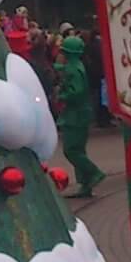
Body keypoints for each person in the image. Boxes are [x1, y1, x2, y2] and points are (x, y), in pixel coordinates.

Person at [53, 37, 101, 198]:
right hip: (80, 114)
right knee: (79, 149)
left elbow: (77, 92)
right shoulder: (76, 66)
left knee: (71, 150)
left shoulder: (72, 69)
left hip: (75, 115)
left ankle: (93, 172)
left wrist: (62, 95)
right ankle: (85, 184)